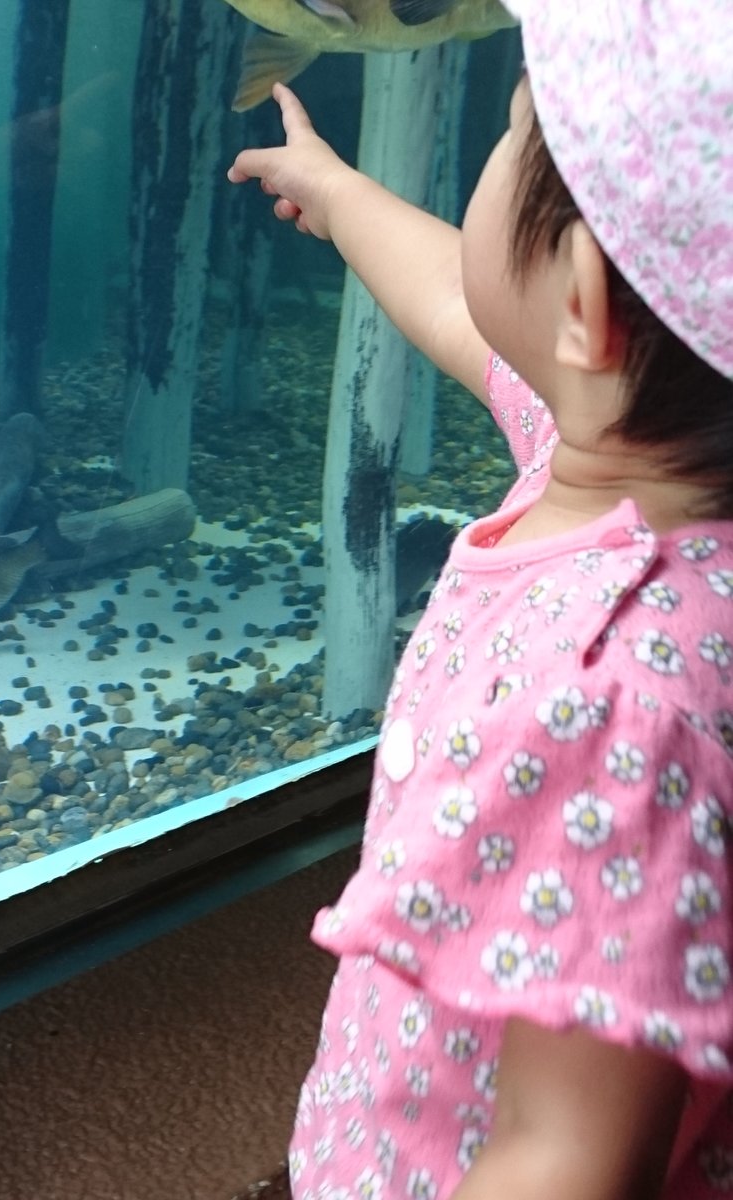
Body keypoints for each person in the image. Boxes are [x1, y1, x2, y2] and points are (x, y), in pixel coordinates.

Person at [227, 0, 733, 1196]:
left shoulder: (615, 701)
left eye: (510, 128)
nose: (486, 163)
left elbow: (565, 1155)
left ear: (587, 304)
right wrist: (339, 194)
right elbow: (461, 307)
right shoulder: (624, 453)